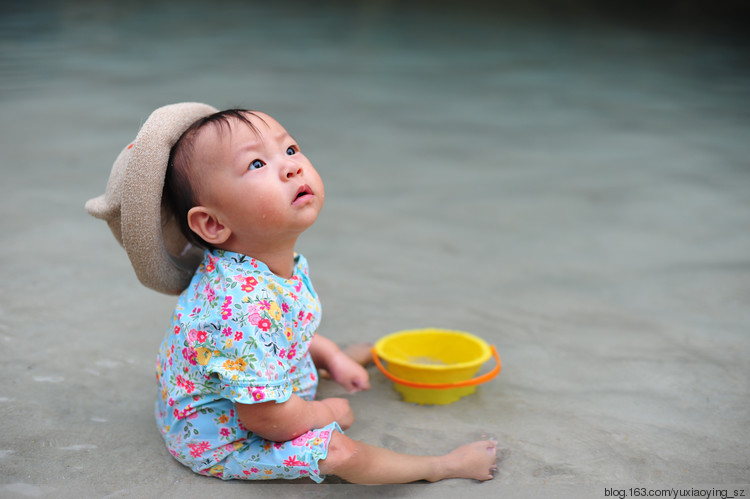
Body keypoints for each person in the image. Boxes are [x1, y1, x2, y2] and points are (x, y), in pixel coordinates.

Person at [86, 103, 498, 484]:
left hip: (253, 382)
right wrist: (327, 412)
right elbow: (265, 419)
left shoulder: (263, 262)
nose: (291, 168)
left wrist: (330, 355)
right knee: (339, 451)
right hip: (224, 438)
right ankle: (441, 467)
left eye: (291, 149)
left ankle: (333, 359)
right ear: (213, 225)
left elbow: (284, 327)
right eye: (257, 163)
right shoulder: (238, 307)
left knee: (317, 352)